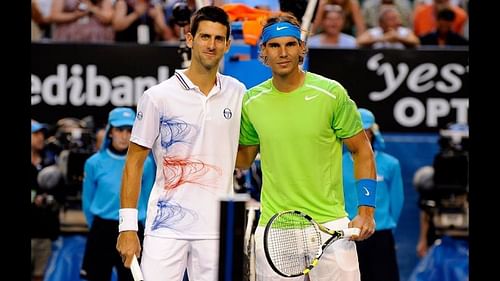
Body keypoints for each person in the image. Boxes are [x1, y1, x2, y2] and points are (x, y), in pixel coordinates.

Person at [236, 13, 376, 281]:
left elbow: (362, 151)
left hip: (331, 225)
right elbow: (242, 160)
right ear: (263, 51)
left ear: (302, 48)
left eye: (290, 44)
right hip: (275, 229)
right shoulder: (251, 101)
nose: (283, 52)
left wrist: (366, 211)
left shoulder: (331, 93)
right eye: (274, 46)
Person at [116, 5, 246, 281]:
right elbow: (134, 163)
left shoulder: (239, 93)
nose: (211, 45)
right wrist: (127, 227)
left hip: (216, 231)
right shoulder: (157, 96)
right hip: (166, 228)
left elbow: (243, 158)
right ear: (190, 39)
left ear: (227, 45)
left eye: (218, 39)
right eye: (205, 37)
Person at [81, 107, 155, 281]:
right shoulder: (94, 163)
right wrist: (97, 227)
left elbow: (147, 197)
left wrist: (143, 228)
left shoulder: (147, 163)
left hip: (135, 230)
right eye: (119, 130)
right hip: (102, 230)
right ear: (110, 132)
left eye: (129, 130)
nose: (124, 135)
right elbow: (87, 200)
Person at [343, 108, 404, 281]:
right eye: (357, 131)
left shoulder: (391, 164)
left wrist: (387, 225)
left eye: (366, 131)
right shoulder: (338, 165)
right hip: (349, 235)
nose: (362, 136)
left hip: (381, 236)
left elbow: (397, 201)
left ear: (373, 133)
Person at [31, 120, 62, 281]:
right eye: (35, 134)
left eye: (42, 133)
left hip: (44, 232)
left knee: (39, 276)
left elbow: (61, 195)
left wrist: (51, 200)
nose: (41, 137)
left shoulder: (51, 162)